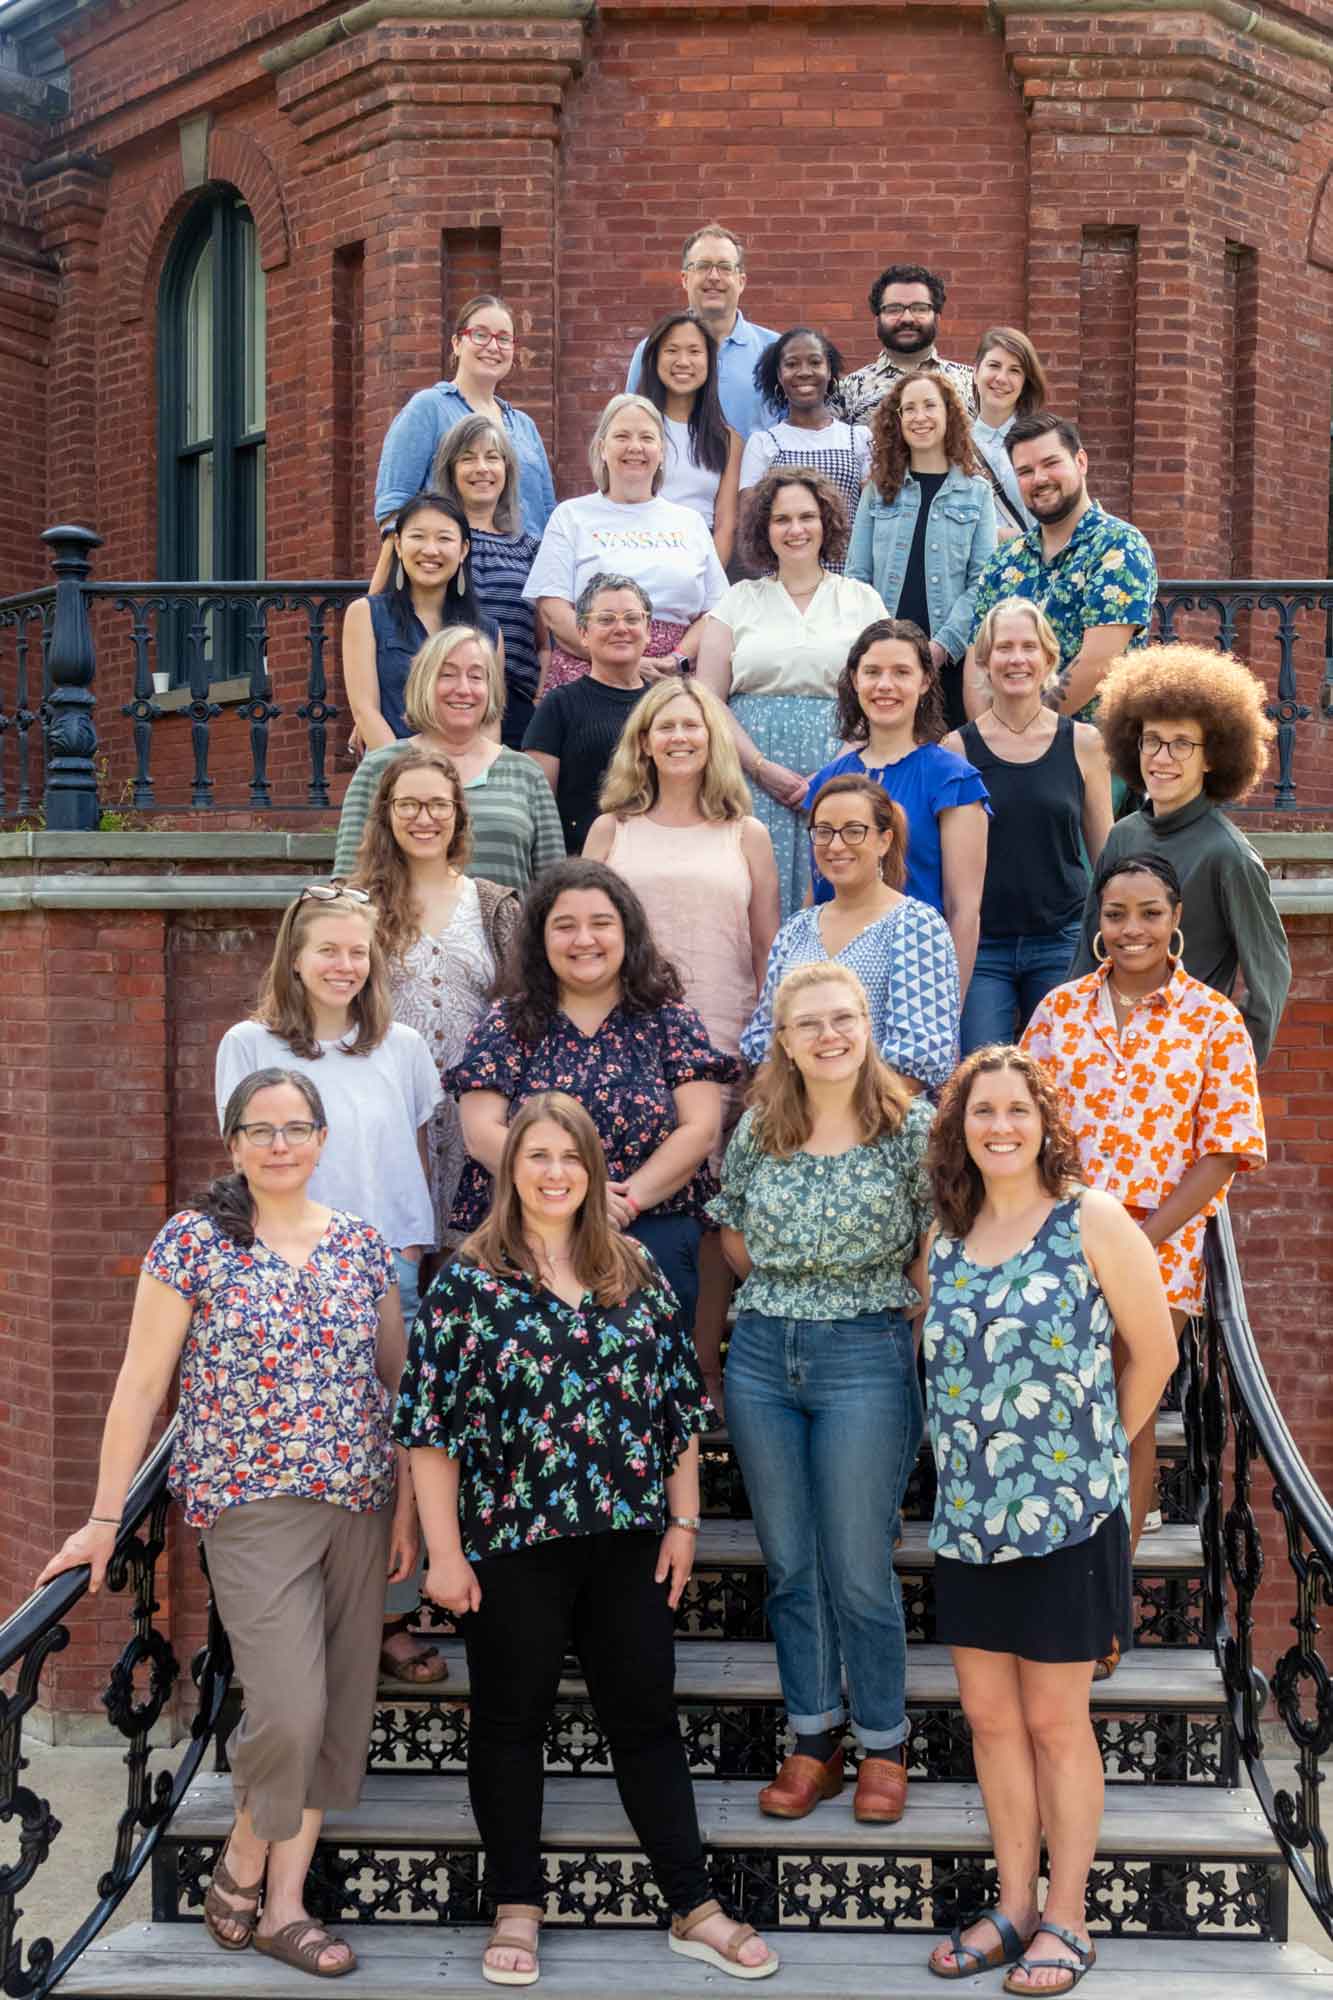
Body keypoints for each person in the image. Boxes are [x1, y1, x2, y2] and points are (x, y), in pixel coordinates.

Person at [38, 1067, 418, 1980]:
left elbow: (404, 1387)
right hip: (249, 1507)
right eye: (261, 1129)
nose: (280, 1144)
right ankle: (243, 1858)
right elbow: (139, 1386)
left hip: (360, 1504)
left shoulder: (363, 1247)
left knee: (337, 1713)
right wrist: (101, 1515)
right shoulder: (194, 1244)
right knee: (287, 1707)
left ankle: (282, 1903)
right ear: (234, 1143)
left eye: (296, 1128)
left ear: (323, 1139)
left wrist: (408, 1507)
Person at [394, 1092, 779, 1986]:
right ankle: (517, 1902)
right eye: (537, 1157)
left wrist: (684, 1519)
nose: (555, 1173)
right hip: (510, 1541)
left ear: (593, 1168)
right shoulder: (468, 1279)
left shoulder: (635, 1267)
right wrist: (444, 1554)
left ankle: (693, 1903)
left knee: (643, 1719)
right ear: (507, 1169)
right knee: (508, 1722)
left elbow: (676, 1409)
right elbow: (429, 1428)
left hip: (627, 1536)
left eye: (570, 1157)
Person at [920, 1046, 1176, 1994]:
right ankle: (1013, 1905)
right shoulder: (943, 1237)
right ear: (959, 1128)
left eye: (1016, 1111)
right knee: (990, 1723)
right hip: (967, 1520)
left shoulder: (1090, 1220)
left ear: (1043, 1121)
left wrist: (1100, 1450)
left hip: (1068, 1518)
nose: (999, 1126)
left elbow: (1152, 1350)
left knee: (1055, 1721)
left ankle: (1066, 1917)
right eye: (980, 1111)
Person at [710, 964, 932, 1824]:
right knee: (791, 1565)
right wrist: (787, 1295)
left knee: (858, 1566)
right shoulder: (761, 1125)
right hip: (763, 1354)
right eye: (810, 1024)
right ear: (784, 1040)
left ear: (868, 1025)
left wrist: (891, 1321)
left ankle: (882, 1742)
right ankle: (814, 1740)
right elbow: (731, 1231)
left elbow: (933, 1237)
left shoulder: (910, 1127)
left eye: (844, 1019)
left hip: (866, 1353)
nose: (829, 1035)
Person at [1023, 852, 1267, 1566]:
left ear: (1176, 919)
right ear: (1097, 922)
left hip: (1159, 1247)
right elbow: (1017, 1128)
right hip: (1056, 1240)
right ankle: (1049, 1575)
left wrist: (1137, 1241)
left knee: (1124, 1419)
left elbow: (1223, 1150)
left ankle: (1106, 1604)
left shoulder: (1213, 1020)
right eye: (1116, 913)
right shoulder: (1058, 1011)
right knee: (1052, 1410)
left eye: (1149, 913)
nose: (1132, 929)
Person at [585, 677, 780, 1408]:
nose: (679, 738)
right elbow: (581, 930)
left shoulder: (746, 834)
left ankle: (701, 1370)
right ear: (643, 740)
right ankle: (622, 1351)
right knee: (630, 1200)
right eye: (664, 726)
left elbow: (767, 949)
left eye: (692, 727)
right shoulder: (612, 829)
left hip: (721, 1034)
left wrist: (764, 1053)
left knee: (709, 1213)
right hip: (623, 1040)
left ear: (714, 741)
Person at [451, 859, 740, 1327]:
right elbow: (481, 1132)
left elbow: (700, 1128)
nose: (584, 940)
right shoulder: (506, 1023)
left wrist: (620, 1205)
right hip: (530, 1234)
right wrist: (579, 1199)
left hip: (649, 1228)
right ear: (541, 940)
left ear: (628, 933)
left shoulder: (670, 1020)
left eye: (601, 924)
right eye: (564, 926)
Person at [1068, 641, 1291, 1065]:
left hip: (1183, 1064)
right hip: (1108, 1058)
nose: (1162, 758)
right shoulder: (1122, 836)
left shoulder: (1229, 856)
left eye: (1182, 744)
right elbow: (1086, 950)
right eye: (1151, 740)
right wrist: (1074, 1039)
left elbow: (1270, 978)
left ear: (1213, 758)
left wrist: (1227, 1065)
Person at [348, 747, 521, 1243]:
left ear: (458, 814)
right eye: (409, 805)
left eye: (439, 805)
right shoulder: (357, 907)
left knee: (472, 1271)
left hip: (481, 1122)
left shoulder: (494, 905)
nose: (425, 818)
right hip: (391, 1120)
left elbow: (523, 1018)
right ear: (386, 813)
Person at [696, 470, 887, 917]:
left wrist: (837, 767)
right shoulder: (738, 601)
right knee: (755, 901)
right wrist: (761, 768)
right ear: (765, 528)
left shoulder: (861, 600)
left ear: (827, 524)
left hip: (843, 772)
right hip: (750, 777)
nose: (795, 529)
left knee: (837, 899)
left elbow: (882, 690)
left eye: (807, 517)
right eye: (782, 519)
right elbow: (707, 697)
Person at [947, 599, 1111, 1052]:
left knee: (1058, 1080)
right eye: (1004, 648)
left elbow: (1107, 856)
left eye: (1028, 647)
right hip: (985, 949)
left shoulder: (1084, 743)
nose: (1016, 659)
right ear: (985, 661)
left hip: (1062, 939)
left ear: (1049, 659)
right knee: (981, 1071)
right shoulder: (957, 749)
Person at [807, 618, 990, 998]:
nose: (885, 685)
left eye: (901, 672)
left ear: (924, 682)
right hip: (834, 982)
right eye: (872, 672)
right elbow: (817, 895)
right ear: (855, 679)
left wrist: (946, 1008)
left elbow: (963, 910)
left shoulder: (952, 779)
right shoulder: (827, 781)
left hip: (916, 980)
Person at [742, 776, 960, 1093]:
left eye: (854, 831)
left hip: (881, 1121)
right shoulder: (796, 930)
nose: (836, 845)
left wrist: (838, 1119)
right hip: (792, 1120)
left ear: (884, 840)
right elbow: (765, 1039)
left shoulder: (915, 926)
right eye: (824, 832)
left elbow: (919, 1060)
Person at [524, 394, 729, 693]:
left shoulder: (690, 522)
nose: (635, 447)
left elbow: (717, 610)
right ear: (602, 449)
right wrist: (619, 660)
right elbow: (553, 609)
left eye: (647, 437)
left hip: (670, 678)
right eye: (622, 436)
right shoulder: (571, 515)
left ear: (662, 452)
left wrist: (676, 658)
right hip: (588, 674)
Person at [333, 627, 564, 888]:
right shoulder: (378, 768)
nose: (463, 689)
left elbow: (553, 888)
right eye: (447, 675)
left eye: (476, 677)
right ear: (423, 683)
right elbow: (348, 884)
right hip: (400, 926)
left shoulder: (526, 773)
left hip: (506, 928)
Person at [966, 414, 1158, 723]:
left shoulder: (1118, 546)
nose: (1039, 479)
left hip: (1092, 755)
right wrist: (987, 739)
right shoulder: (1004, 560)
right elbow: (977, 661)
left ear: (1080, 461)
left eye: (1050, 463)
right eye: (1025, 471)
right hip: (1004, 754)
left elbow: (1098, 662)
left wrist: (1029, 731)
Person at [846, 371, 996, 731]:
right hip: (886, 663)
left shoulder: (976, 493)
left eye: (929, 405)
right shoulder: (878, 491)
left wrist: (941, 647)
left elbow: (983, 582)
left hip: (952, 661)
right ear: (897, 421)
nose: (919, 416)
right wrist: (878, 646)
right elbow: (857, 577)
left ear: (948, 415)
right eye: (908, 408)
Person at [374, 292, 557, 542]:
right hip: (456, 573)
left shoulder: (525, 427)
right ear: (457, 344)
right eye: (480, 335)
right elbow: (393, 509)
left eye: (504, 339)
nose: (493, 347)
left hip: (526, 575)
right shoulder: (428, 409)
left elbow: (547, 516)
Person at [342, 492, 501, 750]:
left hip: (466, 783)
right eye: (417, 536)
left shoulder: (487, 631)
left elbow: (490, 721)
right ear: (398, 545)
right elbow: (365, 711)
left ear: (463, 550)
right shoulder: (365, 615)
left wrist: (472, 780)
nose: (430, 550)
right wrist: (412, 777)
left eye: (444, 539)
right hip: (391, 778)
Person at [430, 415, 544, 749]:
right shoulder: (435, 543)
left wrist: (540, 693)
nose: (482, 468)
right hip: (445, 697)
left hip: (513, 703)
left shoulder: (528, 548)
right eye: (468, 458)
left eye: (492, 458)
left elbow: (543, 641)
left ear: (507, 470)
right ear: (451, 470)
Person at [522, 574, 651, 854]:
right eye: (606, 619)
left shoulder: (664, 706)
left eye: (632, 618)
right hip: (582, 868)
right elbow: (536, 808)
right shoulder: (559, 705)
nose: (621, 628)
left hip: (656, 860)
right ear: (583, 633)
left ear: (648, 629)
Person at [626, 222, 778, 440]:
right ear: (684, 279)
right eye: (703, 266)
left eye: (725, 267)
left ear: (741, 281)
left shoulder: (775, 352)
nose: (714, 276)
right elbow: (632, 426)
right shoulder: (651, 350)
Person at [739, 328, 872, 567]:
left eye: (815, 362)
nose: (804, 372)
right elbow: (752, 527)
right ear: (779, 375)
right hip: (784, 580)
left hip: (847, 577)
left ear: (829, 371)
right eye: (791, 364)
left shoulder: (858, 438)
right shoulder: (763, 443)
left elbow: (874, 518)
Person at [633, 310, 742, 565]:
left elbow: (726, 525)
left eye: (694, 351)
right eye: (672, 350)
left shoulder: (728, 440)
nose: (683, 361)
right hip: (637, 553)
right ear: (655, 358)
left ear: (709, 360)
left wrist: (710, 586)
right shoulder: (635, 429)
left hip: (697, 562)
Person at [836, 262, 977, 428]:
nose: (907, 318)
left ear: (938, 319)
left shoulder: (972, 384)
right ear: (877, 322)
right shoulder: (847, 391)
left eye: (919, 308)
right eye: (894, 309)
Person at [971, 327, 1048, 539]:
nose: (1001, 378)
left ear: (1025, 383)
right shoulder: (952, 444)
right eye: (994, 366)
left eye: (1015, 370)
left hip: (1032, 567)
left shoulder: (1044, 442)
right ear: (976, 372)